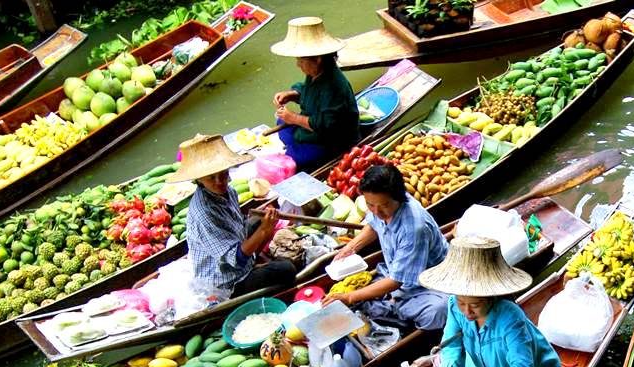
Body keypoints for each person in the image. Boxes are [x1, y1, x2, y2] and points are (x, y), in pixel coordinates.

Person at [422, 236, 563, 367]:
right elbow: (452, 346)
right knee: (441, 364)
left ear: (491, 296)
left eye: (475, 305)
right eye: (462, 303)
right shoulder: (455, 306)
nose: (467, 312)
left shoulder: (510, 317)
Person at [170, 134, 295, 297]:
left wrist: (264, 227)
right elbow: (236, 258)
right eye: (211, 178)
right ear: (199, 180)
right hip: (225, 280)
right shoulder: (205, 213)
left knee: (259, 221)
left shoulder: (228, 191)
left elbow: (241, 225)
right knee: (287, 269)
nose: (219, 181)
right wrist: (264, 230)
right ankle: (254, 269)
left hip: (235, 252)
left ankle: (256, 260)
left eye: (223, 174)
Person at [326, 164, 449, 330]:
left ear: (398, 197)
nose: (376, 211)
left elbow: (397, 281)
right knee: (362, 287)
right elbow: (374, 224)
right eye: (370, 205)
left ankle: (396, 312)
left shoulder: (413, 229)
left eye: (383, 206)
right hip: (392, 271)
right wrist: (352, 247)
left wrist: (349, 298)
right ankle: (390, 304)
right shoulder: (381, 205)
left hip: (427, 283)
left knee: (437, 312)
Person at [271, 17, 359, 172]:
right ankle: (297, 144)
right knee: (281, 124)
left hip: (333, 139)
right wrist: (291, 94)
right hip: (314, 127)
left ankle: (300, 150)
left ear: (317, 59)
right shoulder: (316, 74)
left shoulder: (333, 86)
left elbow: (326, 125)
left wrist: (294, 118)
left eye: (301, 60)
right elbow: (307, 91)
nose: (298, 64)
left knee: (293, 159)